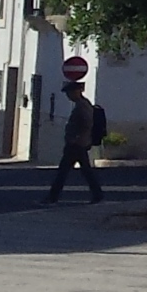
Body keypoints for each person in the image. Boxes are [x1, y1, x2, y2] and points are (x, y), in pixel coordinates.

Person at [43, 73, 106, 204]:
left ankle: (52, 197)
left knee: (64, 172)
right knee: (84, 171)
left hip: (76, 144)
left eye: (70, 93)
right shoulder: (83, 104)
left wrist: (76, 138)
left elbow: (86, 123)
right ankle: (97, 194)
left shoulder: (82, 106)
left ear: (77, 91)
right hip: (79, 143)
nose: (69, 96)